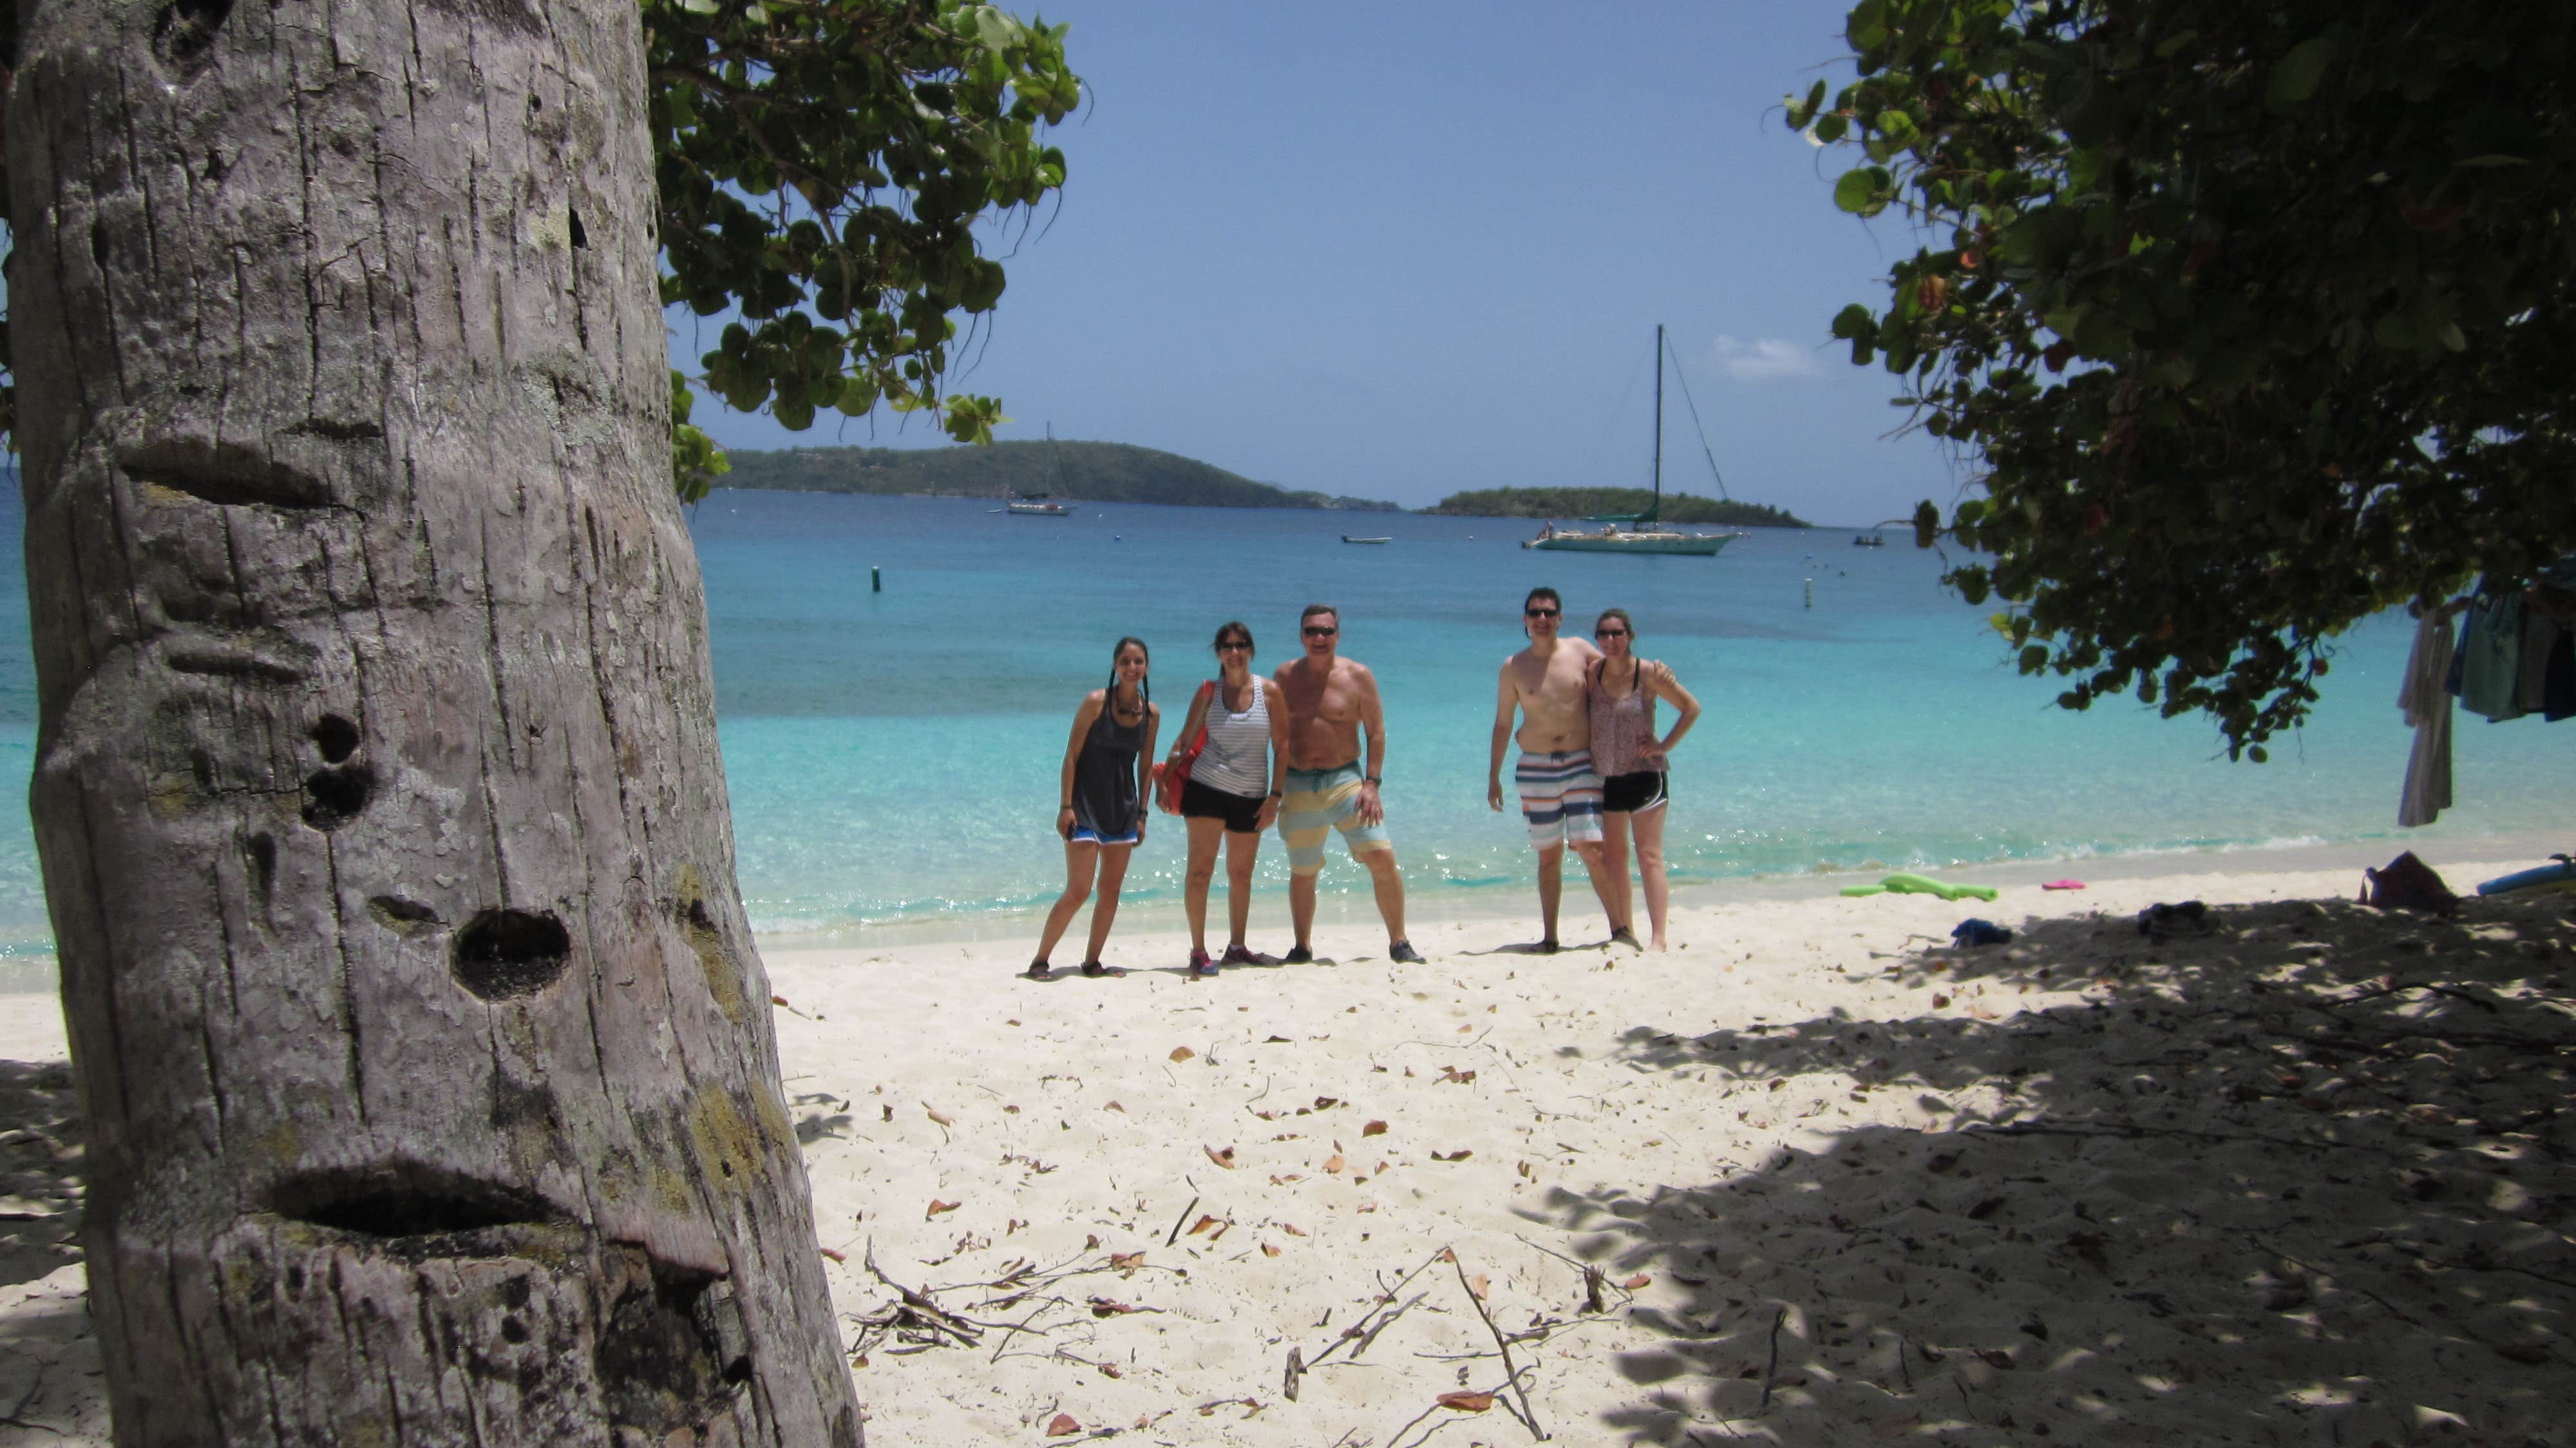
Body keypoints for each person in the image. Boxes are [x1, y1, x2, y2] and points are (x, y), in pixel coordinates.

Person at [1273, 604, 1423, 964]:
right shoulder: (1285, 676)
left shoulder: (1359, 676)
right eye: (1312, 631)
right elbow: (1275, 735)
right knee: (1303, 869)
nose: (1319, 638)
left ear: (1338, 635)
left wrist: (1372, 784)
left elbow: (1376, 731)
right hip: (1297, 783)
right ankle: (1302, 947)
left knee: (1381, 856)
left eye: (1326, 631)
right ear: (1301, 637)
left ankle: (1399, 942)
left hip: (1346, 780)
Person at [1486, 586, 1625, 951]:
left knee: (1592, 848)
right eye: (1535, 613)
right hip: (1535, 768)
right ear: (1525, 620)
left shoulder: (1580, 650)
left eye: (1549, 612)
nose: (1542, 619)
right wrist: (1493, 777)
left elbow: (1618, 676)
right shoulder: (1513, 667)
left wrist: (1655, 678)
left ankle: (1620, 929)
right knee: (1549, 856)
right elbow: (1503, 724)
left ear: (1560, 618)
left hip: (1582, 762)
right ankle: (1550, 937)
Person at [1165, 621, 1291, 976]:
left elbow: (1282, 747)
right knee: (1200, 872)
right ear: (1218, 653)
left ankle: (1237, 947)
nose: (1234, 652)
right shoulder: (1208, 692)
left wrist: (1275, 798)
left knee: (1241, 874)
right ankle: (1199, 951)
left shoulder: (1270, 693)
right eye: (1227, 646)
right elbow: (1184, 741)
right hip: (1205, 789)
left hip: (1252, 795)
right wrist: (1160, 782)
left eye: (1240, 645)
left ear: (1251, 650)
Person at [1029, 637, 1160, 980]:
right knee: (1078, 891)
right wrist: (1065, 806)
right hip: (1085, 806)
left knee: (1111, 891)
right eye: (1126, 661)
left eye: (1139, 662)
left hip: (1124, 810)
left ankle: (1092, 962)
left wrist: (1143, 815)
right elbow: (1071, 755)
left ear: (1146, 666)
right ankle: (1040, 960)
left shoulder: (1151, 714)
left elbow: (1146, 768)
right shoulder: (1095, 703)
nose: (1132, 668)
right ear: (1115, 665)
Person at [1587, 608, 1702, 951]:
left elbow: (1691, 708)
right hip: (1608, 777)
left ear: (1630, 636)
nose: (1611, 640)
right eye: (1604, 634)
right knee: (1616, 858)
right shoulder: (1593, 672)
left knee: (1649, 856)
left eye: (1617, 633)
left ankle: (1660, 938)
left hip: (1646, 777)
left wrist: (1664, 745)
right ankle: (1627, 933)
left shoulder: (1649, 673)